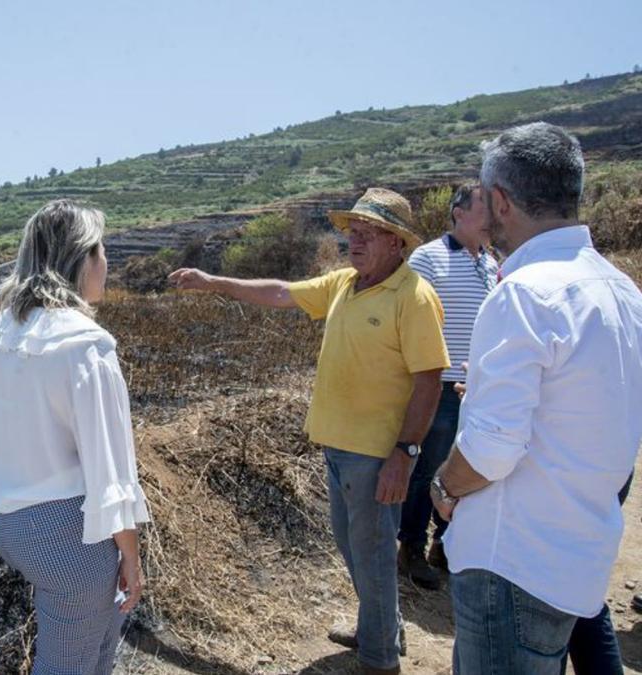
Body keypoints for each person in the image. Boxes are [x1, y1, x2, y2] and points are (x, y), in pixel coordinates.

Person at [169, 188, 449, 675]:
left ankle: (381, 659)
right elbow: (280, 292)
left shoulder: (414, 297)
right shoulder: (345, 283)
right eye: (352, 233)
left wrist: (405, 454)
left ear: (397, 243)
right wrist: (214, 281)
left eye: (367, 234)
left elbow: (430, 381)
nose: (353, 243)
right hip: (337, 445)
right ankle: (380, 627)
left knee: (373, 553)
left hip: (376, 454)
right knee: (353, 546)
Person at [431, 122, 642, 674]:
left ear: (499, 200)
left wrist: (443, 486)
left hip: (513, 562)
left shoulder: (524, 292)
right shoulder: (623, 291)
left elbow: (492, 451)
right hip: (577, 556)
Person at [0, 199, 150, 674]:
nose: (108, 262)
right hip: (69, 532)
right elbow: (110, 472)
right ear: (79, 259)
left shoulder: (0, 332)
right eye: (101, 250)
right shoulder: (86, 347)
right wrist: (131, 556)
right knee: (68, 662)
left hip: (9, 521)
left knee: (94, 640)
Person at [397, 184, 499, 589]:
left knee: (466, 470)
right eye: (482, 209)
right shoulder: (429, 258)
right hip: (438, 386)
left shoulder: (492, 263)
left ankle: (446, 545)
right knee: (426, 470)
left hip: (478, 390)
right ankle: (411, 549)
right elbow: (408, 319)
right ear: (458, 212)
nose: (491, 217)